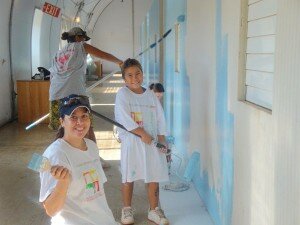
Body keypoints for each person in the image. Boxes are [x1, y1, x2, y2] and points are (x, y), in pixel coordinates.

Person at [48, 27, 123, 168]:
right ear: (78, 37)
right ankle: (95, 158)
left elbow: (53, 75)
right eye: (83, 38)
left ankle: (57, 160)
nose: (83, 40)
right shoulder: (81, 46)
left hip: (55, 94)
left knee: (61, 127)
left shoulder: (58, 53)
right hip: (75, 93)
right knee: (87, 127)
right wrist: (119, 62)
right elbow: (102, 54)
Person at [39, 94, 119, 225]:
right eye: (73, 117)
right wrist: (63, 183)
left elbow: (96, 194)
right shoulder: (54, 154)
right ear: (62, 121)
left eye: (84, 116)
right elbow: (51, 210)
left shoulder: (92, 146)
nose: (80, 123)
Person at [114, 58, 170, 225]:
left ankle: (153, 210)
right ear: (124, 78)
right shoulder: (123, 94)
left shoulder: (150, 95)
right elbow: (123, 117)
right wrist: (141, 133)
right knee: (128, 176)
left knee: (154, 175)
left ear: (142, 74)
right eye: (129, 75)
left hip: (152, 142)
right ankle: (126, 209)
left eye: (137, 73)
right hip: (133, 143)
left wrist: (162, 138)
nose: (134, 78)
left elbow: (160, 118)